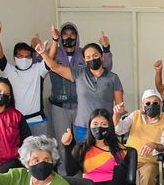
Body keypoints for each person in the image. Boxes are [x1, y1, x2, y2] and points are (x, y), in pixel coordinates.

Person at [46, 23, 114, 167]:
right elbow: (45, 64)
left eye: (72, 34)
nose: (69, 37)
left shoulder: (84, 54)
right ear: (60, 36)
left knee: (83, 143)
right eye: (65, 34)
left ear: (77, 37)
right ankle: (64, 174)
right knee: (62, 142)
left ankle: (82, 173)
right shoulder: (54, 52)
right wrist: (44, 48)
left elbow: (105, 68)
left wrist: (106, 49)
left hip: (81, 108)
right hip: (59, 107)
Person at [36, 37, 124, 144]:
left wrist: (114, 122)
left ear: (102, 57)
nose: (92, 59)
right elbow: (55, 67)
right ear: (84, 60)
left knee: (105, 154)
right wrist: (43, 53)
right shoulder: (79, 73)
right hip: (83, 127)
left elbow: (119, 106)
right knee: (84, 154)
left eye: (95, 56)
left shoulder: (113, 78)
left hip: (105, 127)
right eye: (88, 57)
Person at [114, 90, 164, 185]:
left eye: (155, 103)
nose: (151, 105)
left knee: (147, 175)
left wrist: (154, 145)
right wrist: (116, 115)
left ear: (161, 104)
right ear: (143, 105)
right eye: (147, 103)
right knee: (110, 170)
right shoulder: (135, 115)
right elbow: (119, 130)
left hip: (150, 162)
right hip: (128, 159)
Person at [0, 22, 49, 136]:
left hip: (37, 121)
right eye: (20, 56)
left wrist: (55, 40)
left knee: (41, 147)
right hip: (16, 122)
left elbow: (50, 60)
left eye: (27, 56)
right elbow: (0, 56)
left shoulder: (38, 69)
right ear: (14, 58)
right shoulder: (9, 71)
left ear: (31, 57)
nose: (24, 59)